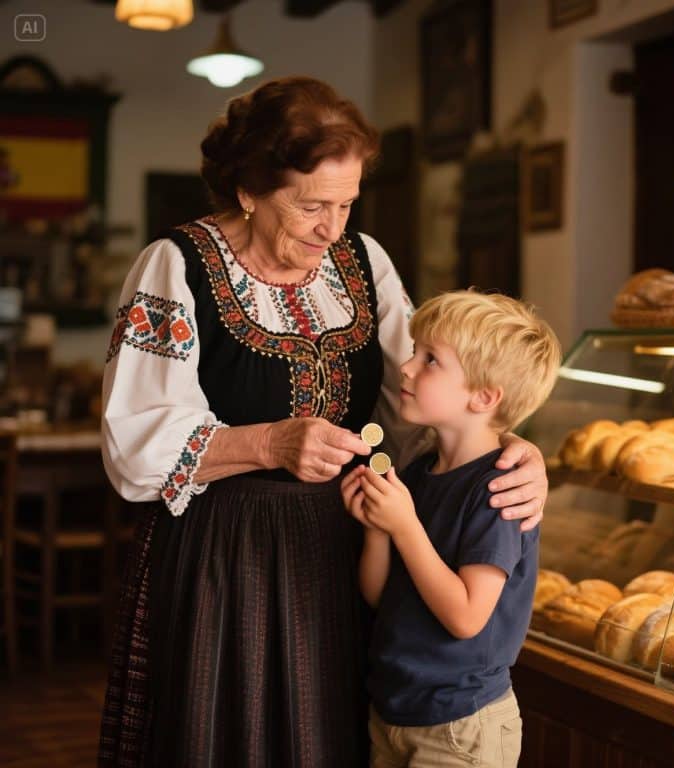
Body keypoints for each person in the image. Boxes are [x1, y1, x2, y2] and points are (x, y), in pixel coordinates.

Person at [98, 77, 549, 768]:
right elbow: (134, 446)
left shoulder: (364, 262)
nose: (331, 228)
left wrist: (514, 448)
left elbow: (437, 394)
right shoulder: (175, 266)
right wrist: (269, 441)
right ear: (249, 189)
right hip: (228, 559)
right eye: (311, 205)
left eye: (346, 204)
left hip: (352, 550)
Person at [341, 290, 561, 768]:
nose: (407, 367)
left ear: (483, 397)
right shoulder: (419, 471)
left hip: (462, 726)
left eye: (431, 360)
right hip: (396, 711)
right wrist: (378, 527)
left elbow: (465, 616)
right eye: (415, 351)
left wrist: (404, 527)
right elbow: (381, 596)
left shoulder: (500, 491)